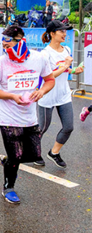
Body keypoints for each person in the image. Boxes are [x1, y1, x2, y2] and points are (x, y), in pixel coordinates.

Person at [0, 25, 55, 204]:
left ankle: (8, 160)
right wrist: (11, 96)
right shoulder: (0, 62)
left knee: (35, 155)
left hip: (30, 117)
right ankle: (8, 187)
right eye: (4, 46)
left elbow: (50, 80)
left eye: (8, 46)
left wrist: (41, 92)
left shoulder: (38, 59)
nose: (5, 50)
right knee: (16, 156)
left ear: (20, 41)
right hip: (8, 118)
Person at [37, 20, 83, 168]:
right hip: (47, 95)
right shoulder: (45, 54)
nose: (65, 34)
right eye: (61, 31)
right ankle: (32, 152)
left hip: (63, 95)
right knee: (42, 129)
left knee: (68, 127)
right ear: (52, 34)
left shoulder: (67, 50)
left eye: (65, 31)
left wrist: (73, 70)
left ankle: (54, 153)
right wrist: (66, 66)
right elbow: (48, 76)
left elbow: (64, 70)